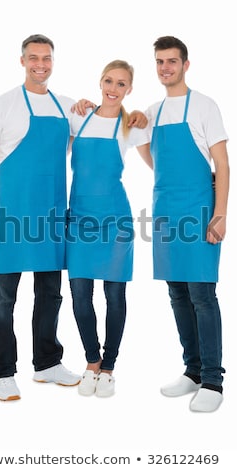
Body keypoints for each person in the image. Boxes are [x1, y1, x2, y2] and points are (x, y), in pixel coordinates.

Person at [0, 34, 89, 401]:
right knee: (3, 299)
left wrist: (93, 106)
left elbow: (105, 130)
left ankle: (47, 363)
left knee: (50, 294)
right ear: (22, 61)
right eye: (34, 58)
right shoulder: (1, 106)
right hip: (13, 217)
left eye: (47, 58)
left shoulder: (66, 107)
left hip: (51, 217)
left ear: (53, 61)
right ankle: (4, 372)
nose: (41, 64)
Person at [145, 36, 230, 412]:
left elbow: (222, 165)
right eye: (160, 62)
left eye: (172, 61)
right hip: (165, 211)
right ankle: (192, 371)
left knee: (202, 295)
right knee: (177, 293)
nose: (166, 68)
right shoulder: (153, 111)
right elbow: (144, 149)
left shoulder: (205, 107)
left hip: (199, 212)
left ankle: (212, 380)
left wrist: (220, 214)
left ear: (185, 65)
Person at [67, 60, 152, 397]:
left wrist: (146, 117)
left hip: (115, 219)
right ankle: (91, 360)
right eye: (108, 81)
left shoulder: (131, 126)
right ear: (99, 82)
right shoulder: (78, 116)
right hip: (80, 219)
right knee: (79, 295)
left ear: (129, 89)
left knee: (114, 296)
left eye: (120, 84)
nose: (113, 89)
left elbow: (157, 163)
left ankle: (109, 367)